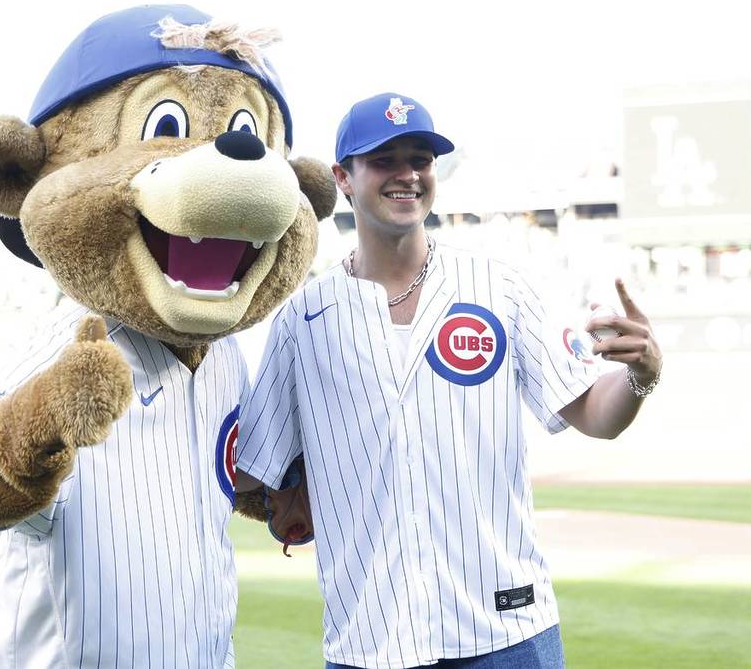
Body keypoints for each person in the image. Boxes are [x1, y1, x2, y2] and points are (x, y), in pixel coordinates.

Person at [236, 92, 663, 668]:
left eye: (422, 158)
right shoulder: (303, 320)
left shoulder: (499, 288)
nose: (407, 174)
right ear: (343, 177)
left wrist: (639, 376)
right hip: (370, 636)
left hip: (508, 630)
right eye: (384, 160)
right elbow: (254, 472)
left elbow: (593, 413)